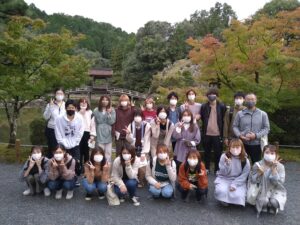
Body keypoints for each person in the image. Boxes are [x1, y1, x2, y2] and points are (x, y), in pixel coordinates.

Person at [249, 145, 286, 216]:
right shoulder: (257, 164)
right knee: (264, 202)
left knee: (274, 202)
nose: (269, 155)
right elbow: (253, 181)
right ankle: (263, 204)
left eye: (272, 153)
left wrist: (274, 170)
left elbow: (281, 182)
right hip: (261, 189)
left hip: (275, 189)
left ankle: (272, 205)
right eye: (267, 152)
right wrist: (259, 173)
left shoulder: (280, 166)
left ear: (276, 155)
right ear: (263, 153)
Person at [233, 93, 270, 163]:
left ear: (256, 101)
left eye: (252, 99)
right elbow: (235, 126)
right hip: (242, 144)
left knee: (257, 164)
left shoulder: (263, 114)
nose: (250, 101)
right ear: (245, 101)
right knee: (242, 163)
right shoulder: (240, 114)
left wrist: (256, 135)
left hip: (257, 144)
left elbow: (266, 128)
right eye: (248, 99)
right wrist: (240, 135)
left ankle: (255, 174)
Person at [55, 99, 84, 185]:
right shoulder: (59, 118)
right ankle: (62, 177)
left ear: (75, 108)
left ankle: (74, 178)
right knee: (62, 160)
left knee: (76, 162)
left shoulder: (79, 118)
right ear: (66, 108)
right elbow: (57, 131)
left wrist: (76, 142)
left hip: (75, 143)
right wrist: (61, 143)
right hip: (63, 144)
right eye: (68, 107)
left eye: (72, 107)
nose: (70, 109)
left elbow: (81, 131)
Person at [214, 139, 250, 206]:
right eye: (233, 147)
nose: (235, 149)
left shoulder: (245, 160)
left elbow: (244, 175)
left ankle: (231, 200)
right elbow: (222, 172)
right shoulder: (224, 156)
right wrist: (227, 165)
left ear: (241, 148)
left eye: (237, 147)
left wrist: (235, 184)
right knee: (221, 191)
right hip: (224, 178)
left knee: (238, 195)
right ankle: (223, 200)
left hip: (238, 180)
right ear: (229, 148)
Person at [200, 88, 226, 173]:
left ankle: (217, 169)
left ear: (217, 95)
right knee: (206, 152)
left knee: (218, 153)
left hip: (217, 134)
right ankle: (206, 168)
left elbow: (223, 119)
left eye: (213, 94)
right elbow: (203, 118)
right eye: (210, 94)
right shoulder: (204, 106)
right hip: (207, 133)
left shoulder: (222, 106)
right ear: (207, 96)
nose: (211, 96)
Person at [125, 110, 151, 187]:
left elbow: (147, 140)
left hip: (143, 149)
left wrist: (143, 152)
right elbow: (129, 140)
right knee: (134, 164)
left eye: (139, 115)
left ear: (142, 117)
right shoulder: (131, 125)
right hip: (133, 148)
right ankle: (134, 179)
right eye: (136, 115)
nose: (137, 117)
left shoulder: (147, 125)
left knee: (142, 166)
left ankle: (141, 181)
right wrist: (129, 134)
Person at [91, 95, 116, 163]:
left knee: (108, 152)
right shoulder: (96, 110)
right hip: (99, 131)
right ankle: (99, 166)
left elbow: (112, 121)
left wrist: (109, 113)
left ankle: (107, 167)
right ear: (100, 101)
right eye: (103, 99)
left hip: (108, 132)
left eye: (106, 100)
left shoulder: (112, 109)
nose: (105, 101)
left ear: (109, 101)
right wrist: (93, 134)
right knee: (99, 151)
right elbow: (93, 122)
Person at [43, 88, 66, 157]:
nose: (59, 95)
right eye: (58, 93)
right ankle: (51, 164)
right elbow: (45, 117)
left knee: (62, 148)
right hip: (51, 129)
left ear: (64, 95)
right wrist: (50, 107)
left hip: (62, 130)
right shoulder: (50, 104)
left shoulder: (66, 105)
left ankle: (61, 165)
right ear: (55, 95)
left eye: (61, 94)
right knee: (52, 149)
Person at [77, 98, 93, 173]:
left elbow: (91, 123)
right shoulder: (76, 112)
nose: (83, 104)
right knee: (79, 151)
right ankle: (79, 167)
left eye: (85, 102)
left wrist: (92, 135)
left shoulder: (90, 112)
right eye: (82, 103)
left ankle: (86, 168)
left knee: (86, 151)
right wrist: (80, 112)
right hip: (79, 133)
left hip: (87, 132)